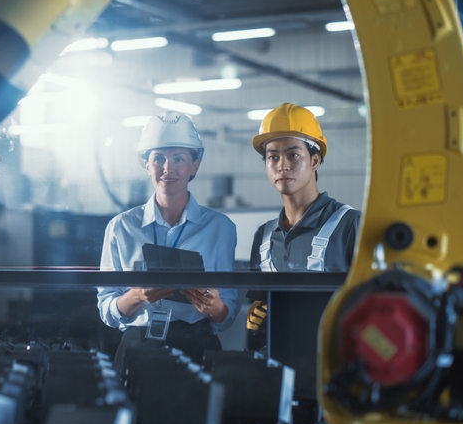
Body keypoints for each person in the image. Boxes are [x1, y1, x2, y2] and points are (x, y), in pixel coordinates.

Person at [97, 113, 239, 369]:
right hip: (136, 347)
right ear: (146, 163)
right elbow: (106, 308)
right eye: (158, 158)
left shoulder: (220, 228)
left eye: (179, 159)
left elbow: (227, 314)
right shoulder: (121, 227)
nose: (167, 168)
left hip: (196, 345)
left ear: (194, 165)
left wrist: (215, 306)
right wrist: (138, 295)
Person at [246, 103, 361, 334]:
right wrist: (254, 315)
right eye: (273, 157)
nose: (282, 166)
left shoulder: (350, 225)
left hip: (332, 361)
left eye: (293, 155)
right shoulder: (264, 236)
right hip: (276, 362)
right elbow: (257, 304)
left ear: (315, 161)